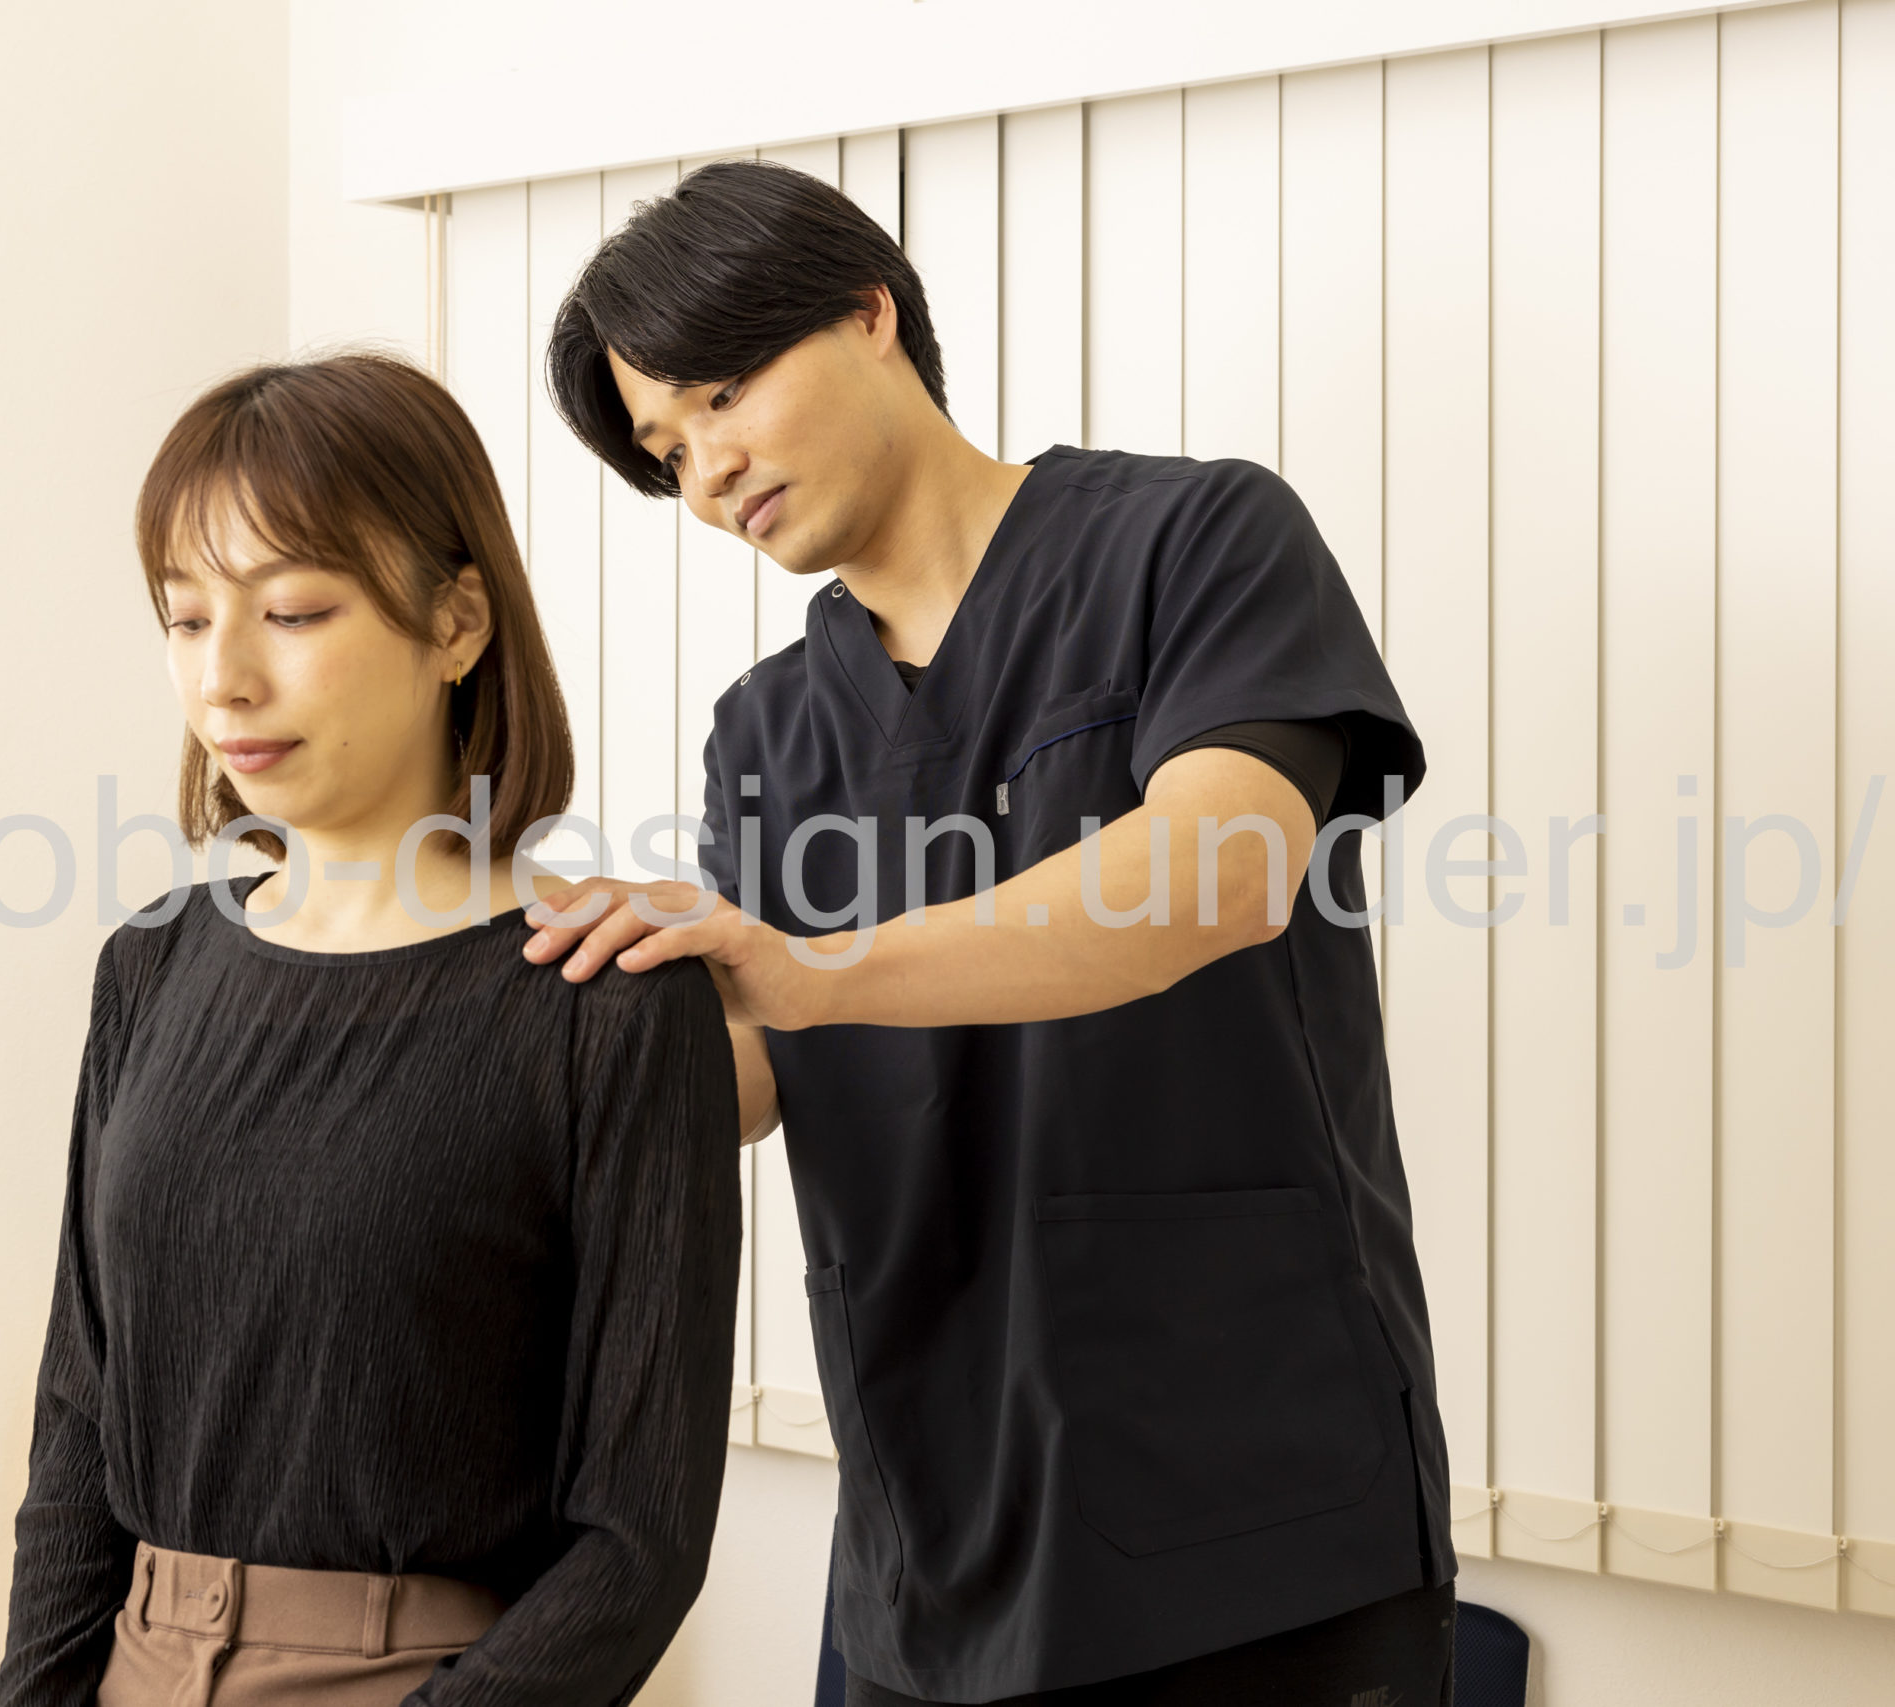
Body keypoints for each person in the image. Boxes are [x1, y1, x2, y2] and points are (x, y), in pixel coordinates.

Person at [530, 160, 1456, 1705]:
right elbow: (749, 1069)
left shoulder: (1196, 540)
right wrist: (554, 1004)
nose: (707, 469)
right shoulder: (765, 728)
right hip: (931, 1536)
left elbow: (1217, 871)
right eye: (667, 448)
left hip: (1256, 1517)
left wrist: (812, 967)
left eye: (724, 391)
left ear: (868, 312)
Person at [0, 351, 741, 1707]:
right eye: (183, 618)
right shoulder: (149, 969)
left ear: (456, 623)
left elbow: (639, 1537)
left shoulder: (612, 996)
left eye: (290, 610)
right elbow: (77, 1423)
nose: (223, 679)